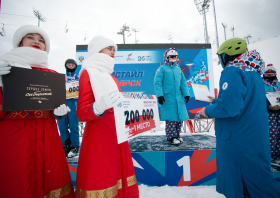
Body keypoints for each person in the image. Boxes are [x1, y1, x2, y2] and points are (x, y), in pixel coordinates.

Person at [198, 38, 280, 198]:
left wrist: (207, 110)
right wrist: (216, 101)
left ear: (227, 55)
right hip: (254, 137)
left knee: (242, 184)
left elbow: (228, 107)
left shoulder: (232, 70)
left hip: (239, 139)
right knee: (259, 182)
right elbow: (246, 101)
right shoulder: (254, 73)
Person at [0, 25, 74, 198]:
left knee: (50, 177)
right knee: (19, 179)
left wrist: (60, 113)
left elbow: (58, 111)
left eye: (41, 40)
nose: (36, 42)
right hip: (15, 135)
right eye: (30, 37)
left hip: (47, 134)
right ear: (20, 42)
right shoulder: (6, 68)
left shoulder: (51, 74)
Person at [75, 36, 139, 198]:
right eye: (109, 48)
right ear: (97, 49)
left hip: (117, 132)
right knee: (101, 173)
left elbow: (119, 104)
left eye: (113, 49)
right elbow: (81, 112)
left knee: (119, 169)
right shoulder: (87, 73)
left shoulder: (112, 78)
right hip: (99, 134)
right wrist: (98, 107)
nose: (112, 52)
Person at [154, 48, 190, 145]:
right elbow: (158, 83)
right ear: (167, 57)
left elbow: (183, 83)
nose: (173, 58)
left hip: (178, 98)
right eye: (171, 56)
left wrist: (186, 94)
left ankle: (177, 134)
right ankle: (171, 137)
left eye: (175, 56)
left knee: (179, 118)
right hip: (168, 98)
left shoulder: (178, 70)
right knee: (171, 119)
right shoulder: (162, 69)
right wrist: (160, 96)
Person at [57, 59, 80, 158]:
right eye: (69, 65)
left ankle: (75, 146)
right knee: (62, 125)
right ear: (65, 66)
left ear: (75, 66)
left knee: (73, 126)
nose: (70, 66)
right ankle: (65, 146)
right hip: (62, 102)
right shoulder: (61, 78)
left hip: (73, 102)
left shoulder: (78, 78)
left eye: (72, 65)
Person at [263, 63, 280, 162]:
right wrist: (267, 106)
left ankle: (278, 153)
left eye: (272, 74)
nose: (270, 76)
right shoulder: (261, 85)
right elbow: (259, 98)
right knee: (271, 134)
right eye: (267, 74)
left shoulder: (278, 84)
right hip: (268, 113)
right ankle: (270, 154)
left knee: (278, 133)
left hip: (278, 112)